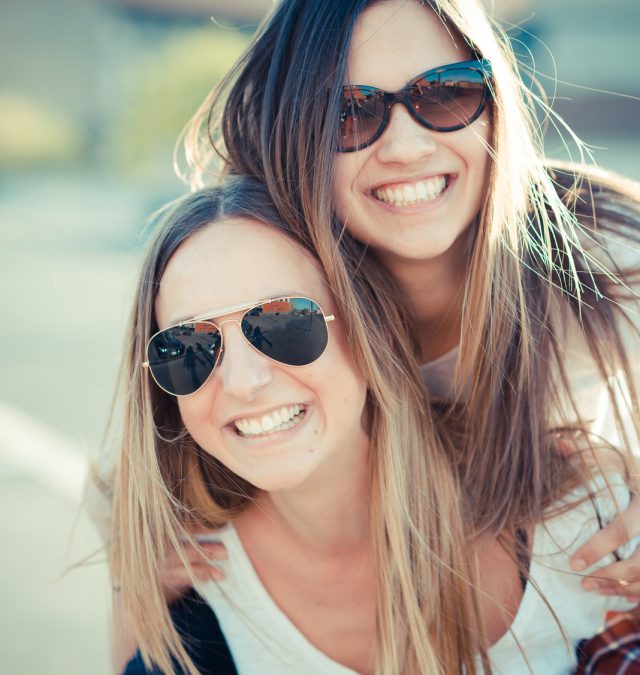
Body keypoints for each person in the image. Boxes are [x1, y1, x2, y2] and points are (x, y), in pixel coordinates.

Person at [186, 0, 640, 603]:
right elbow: (144, 449)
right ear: (294, 135)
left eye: (447, 93)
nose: (405, 147)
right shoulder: (269, 275)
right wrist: (156, 539)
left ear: (496, 103)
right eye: (347, 113)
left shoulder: (607, 249)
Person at [109, 177, 638, 675]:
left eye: (285, 322)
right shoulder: (192, 595)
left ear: (368, 326)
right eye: (189, 348)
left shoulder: (579, 523)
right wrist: (134, 591)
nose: (244, 382)